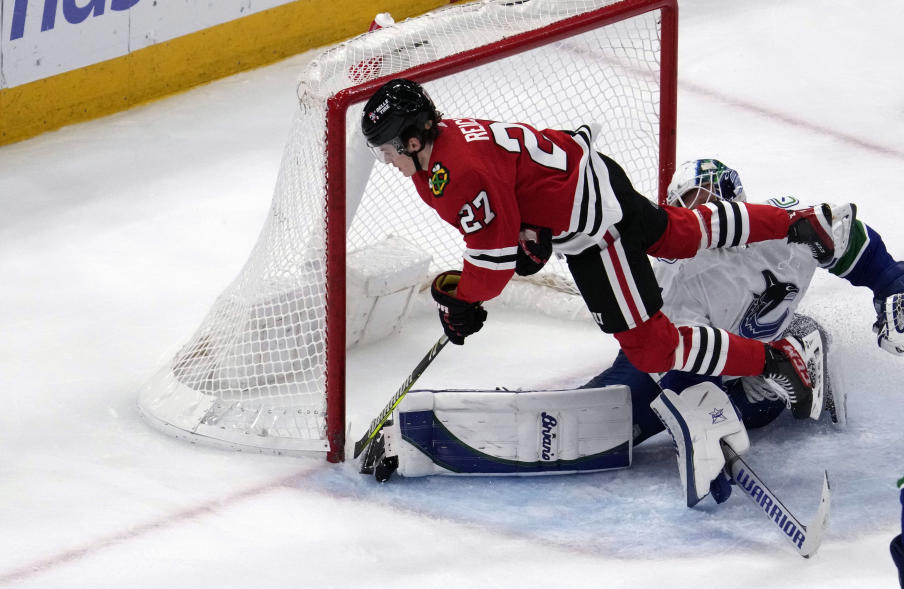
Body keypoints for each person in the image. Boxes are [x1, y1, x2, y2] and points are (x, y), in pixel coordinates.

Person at [360, 78, 855, 421]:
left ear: (411, 138)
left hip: (596, 229)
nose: (387, 161)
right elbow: (513, 205)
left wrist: (462, 299)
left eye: (387, 151)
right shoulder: (450, 142)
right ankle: (796, 223)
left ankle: (775, 360)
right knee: (678, 234)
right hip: (596, 172)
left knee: (652, 347)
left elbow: (491, 269)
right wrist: (526, 238)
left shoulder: (453, 175)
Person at [585, 158, 904, 443]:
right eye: (685, 209)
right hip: (685, 359)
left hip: (749, 360)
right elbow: (679, 355)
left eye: (708, 204)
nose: (698, 217)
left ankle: (799, 341)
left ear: (735, 202)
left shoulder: (782, 227)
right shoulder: (676, 275)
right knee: (620, 415)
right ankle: (791, 347)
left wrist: (891, 282)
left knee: (763, 403)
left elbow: (846, 235)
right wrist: (703, 418)